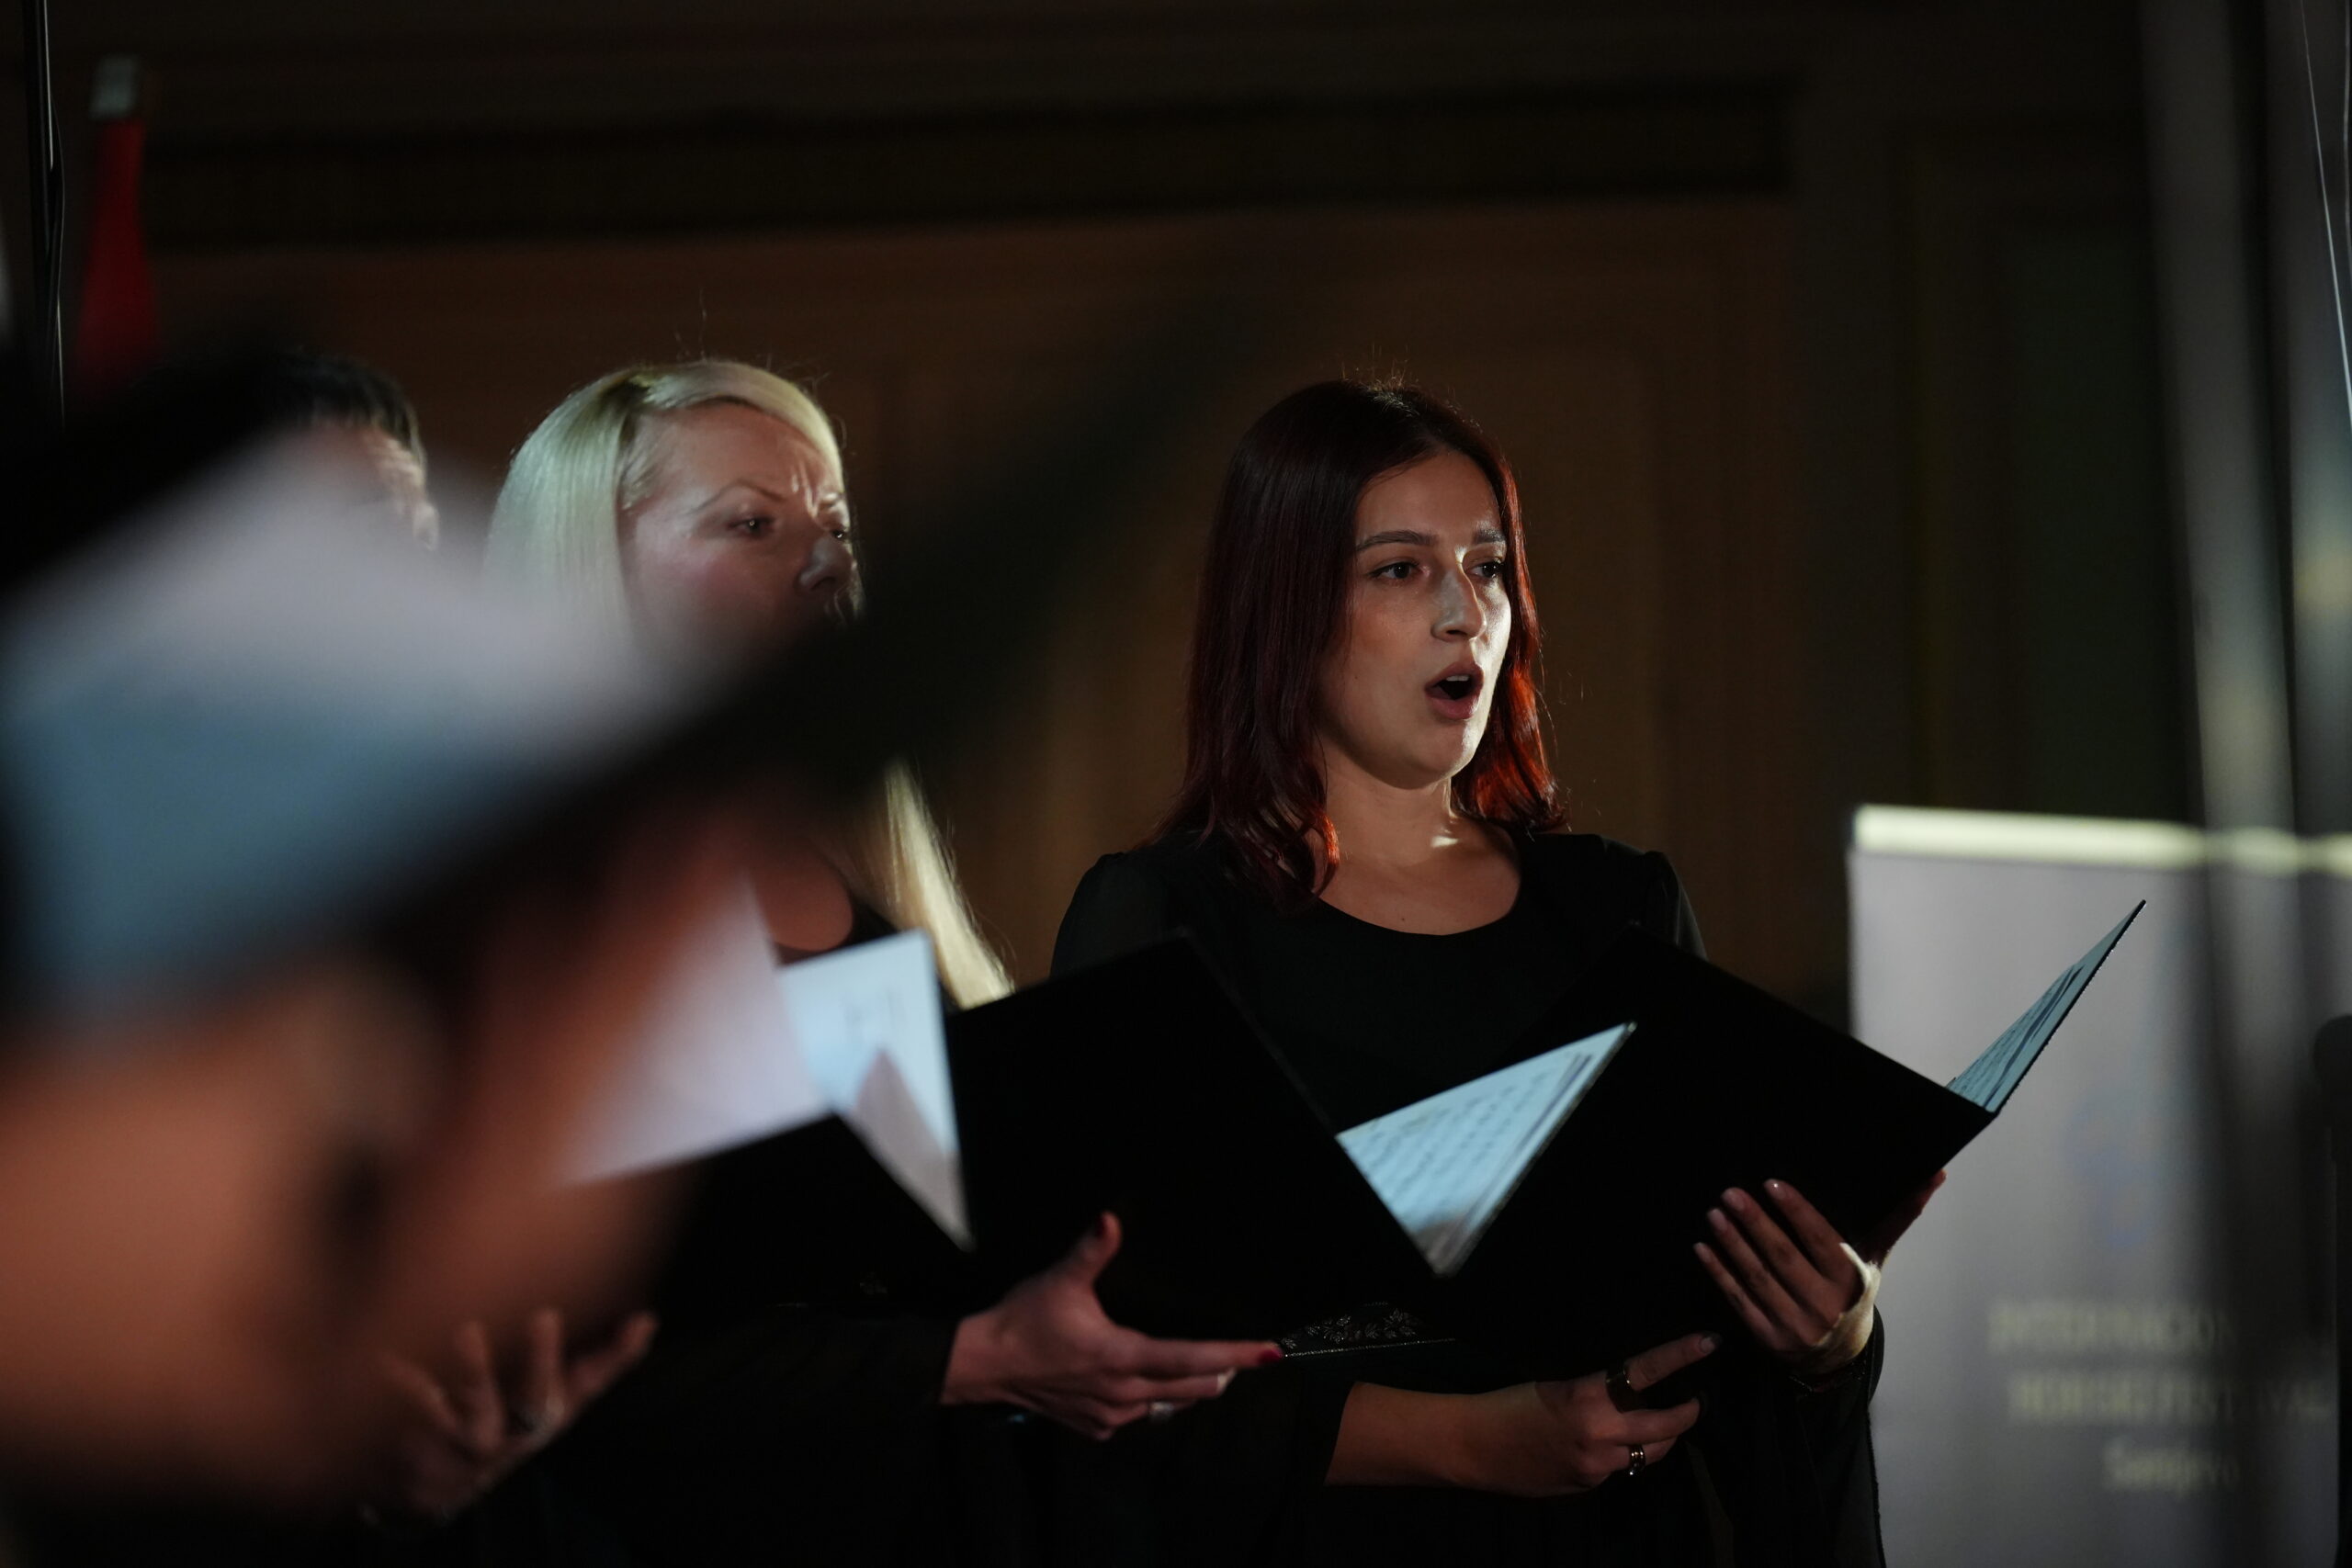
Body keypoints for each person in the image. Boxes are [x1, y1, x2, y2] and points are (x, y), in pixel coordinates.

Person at [1051, 379, 1939, 1566]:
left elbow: (1711, 1335)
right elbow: (1102, 1374)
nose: (1463, 611)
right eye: (1400, 569)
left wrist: (1827, 1334)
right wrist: (1474, 1442)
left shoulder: (1618, 909)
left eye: (1487, 567)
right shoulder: (1164, 919)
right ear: (1284, 607)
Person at [481, 359, 1280, 1563]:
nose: (825, 561)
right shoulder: (539, 915)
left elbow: (916, 1256)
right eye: (752, 524)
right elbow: (551, 1369)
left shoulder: (851, 856)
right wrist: (974, 1357)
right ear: (594, 567)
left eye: (836, 526)